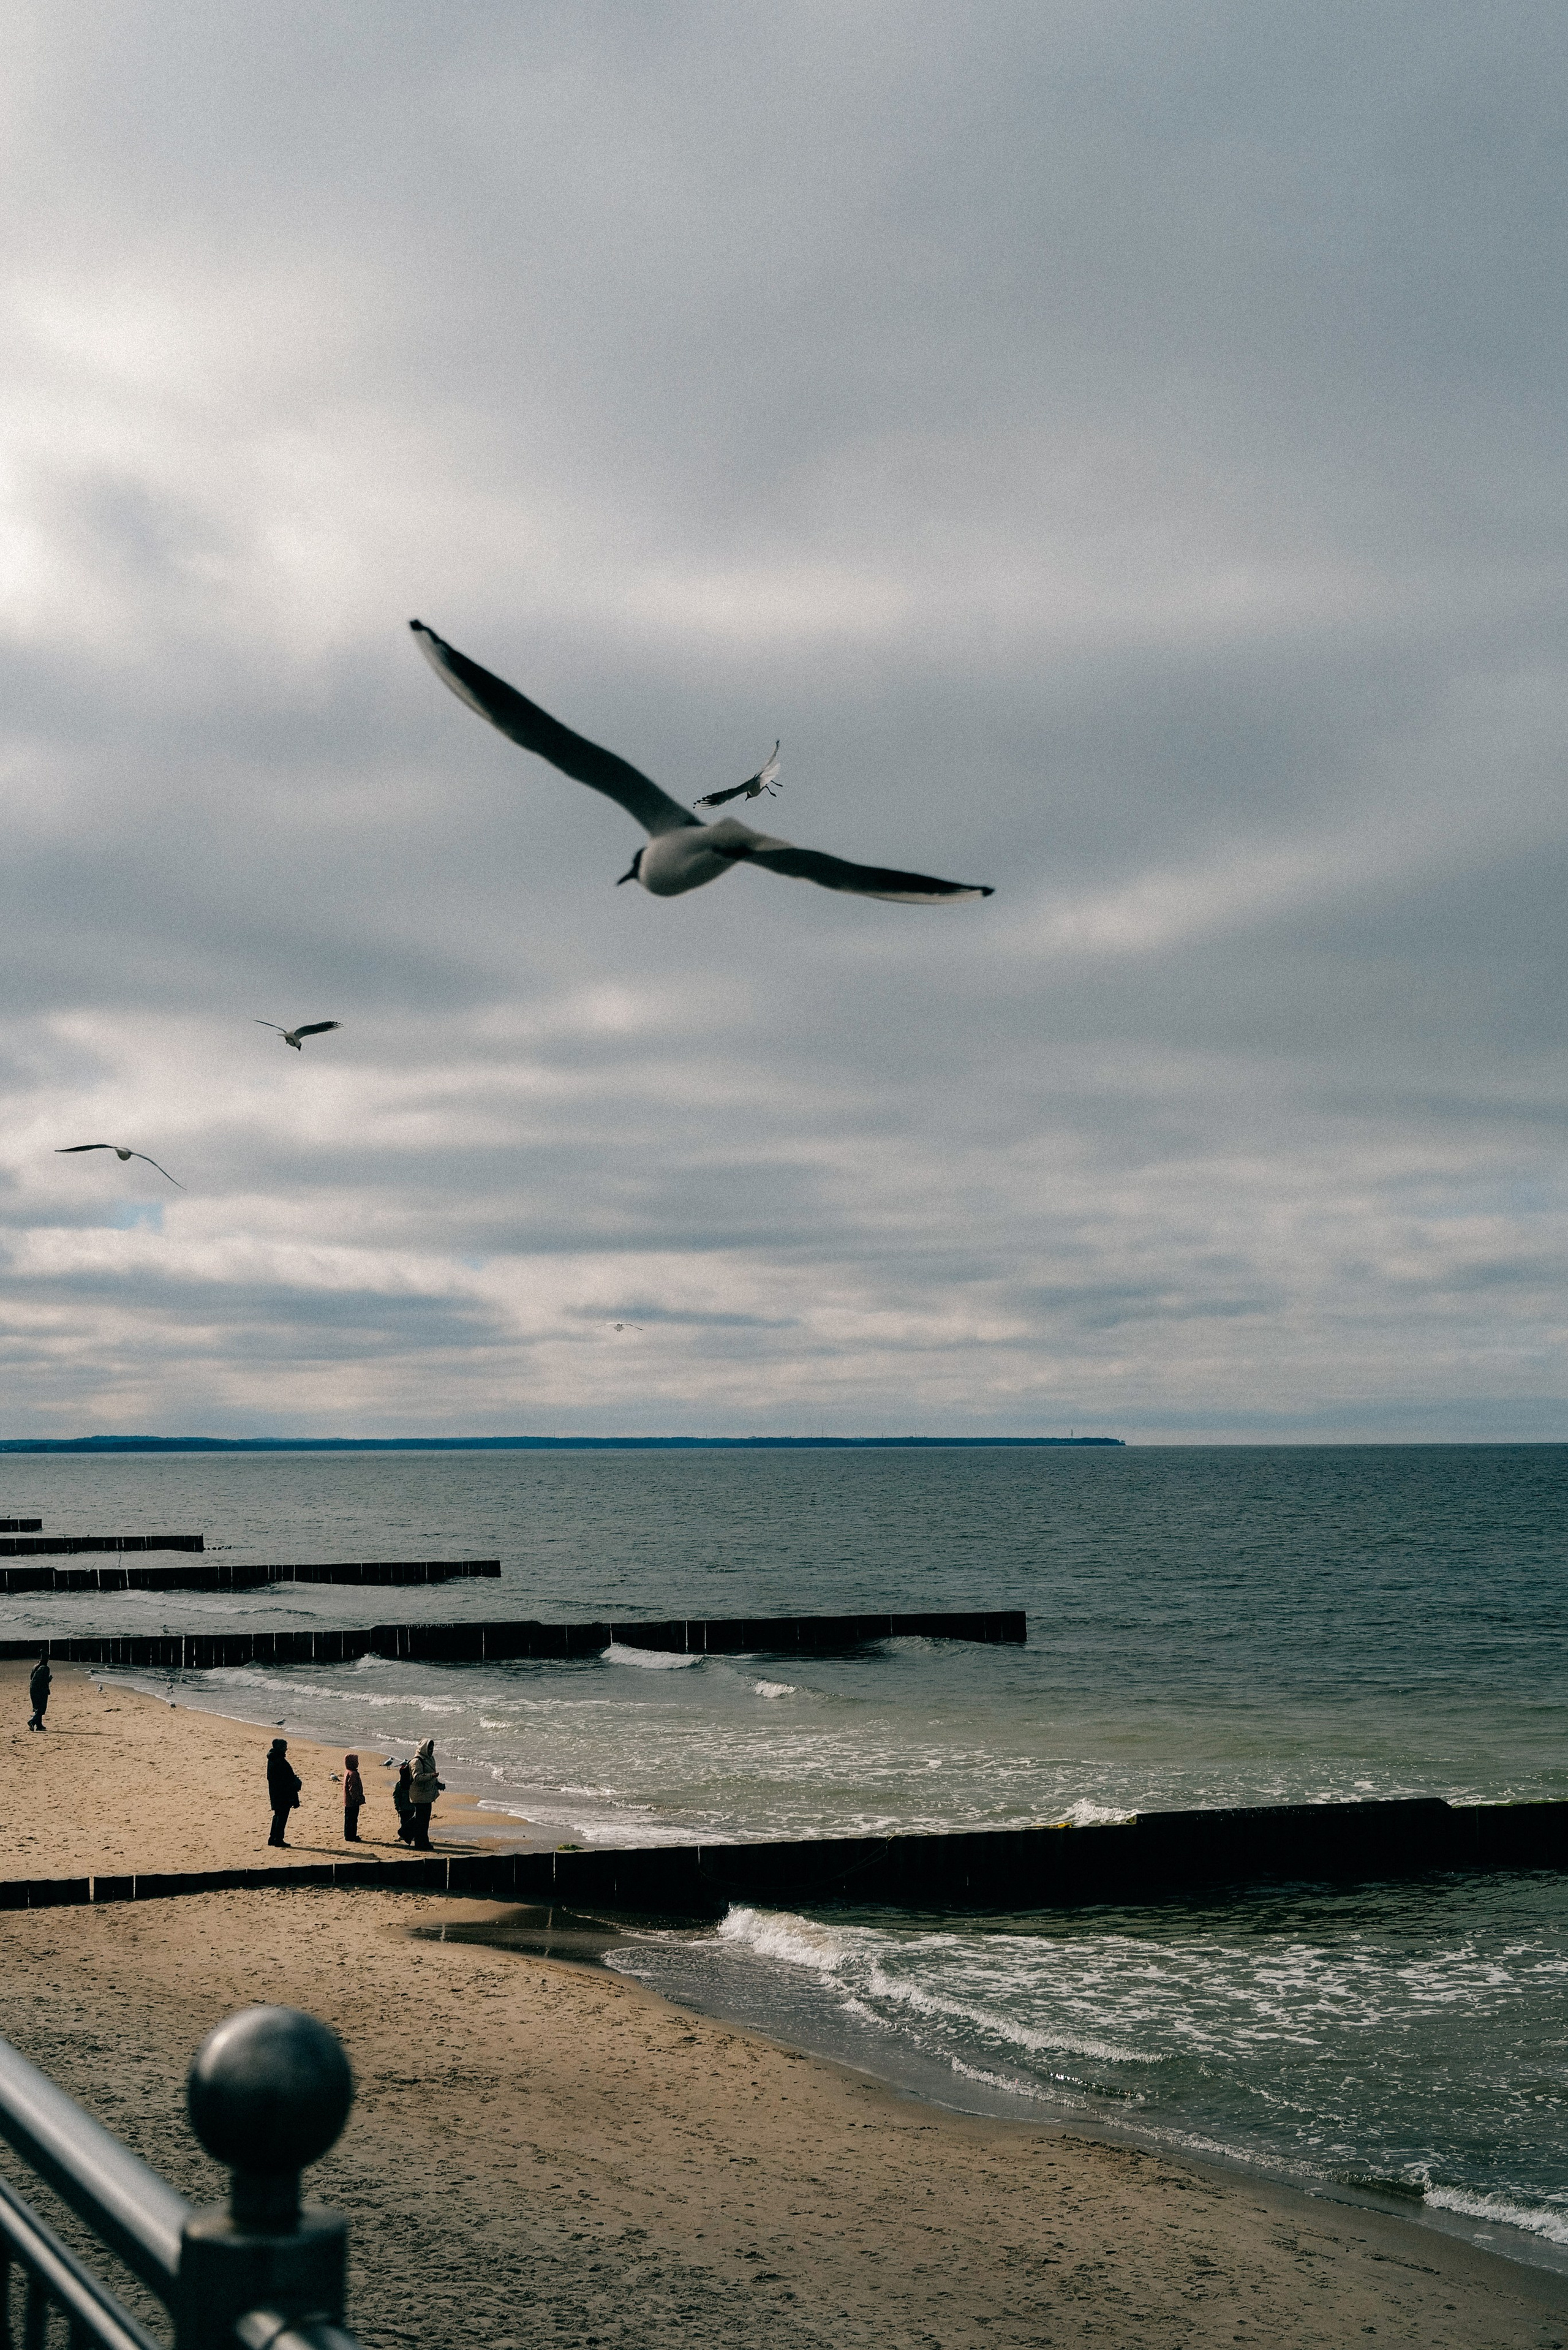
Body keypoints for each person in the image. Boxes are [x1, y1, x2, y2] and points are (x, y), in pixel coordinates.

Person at [408, 1737, 443, 1850]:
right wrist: (431, 1776)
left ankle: (422, 1841)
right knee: (421, 1822)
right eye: (429, 1749)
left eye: (432, 1749)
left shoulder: (431, 1759)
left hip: (428, 1795)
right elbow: (417, 1778)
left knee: (424, 1821)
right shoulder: (416, 1761)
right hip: (419, 1795)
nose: (431, 1751)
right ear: (424, 1748)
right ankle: (420, 1843)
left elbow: (432, 1775)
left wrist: (438, 1784)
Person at [266, 1737, 301, 1848]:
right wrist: (295, 1783)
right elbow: (283, 1780)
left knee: (277, 1815)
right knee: (282, 1817)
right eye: (285, 1747)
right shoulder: (279, 1761)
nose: (286, 1749)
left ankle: (273, 1838)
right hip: (282, 1794)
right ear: (280, 1748)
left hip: (276, 1792)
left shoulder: (273, 1759)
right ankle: (278, 1839)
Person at [342, 1752, 365, 1843]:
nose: (358, 1763)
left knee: (348, 1819)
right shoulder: (353, 1774)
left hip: (347, 1801)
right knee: (352, 1819)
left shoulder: (347, 1772)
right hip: (352, 1801)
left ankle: (348, 1835)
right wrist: (357, 1798)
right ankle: (351, 1837)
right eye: (356, 1761)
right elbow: (353, 1788)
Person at [393, 1759, 415, 1844]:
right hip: (405, 1807)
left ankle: (408, 1835)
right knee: (405, 1822)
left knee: (408, 1822)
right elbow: (396, 1796)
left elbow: (396, 1796)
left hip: (409, 1807)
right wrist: (397, 1806)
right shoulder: (402, 1784)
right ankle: (403, 1835)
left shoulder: (407, 1784)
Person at [26, 1655, 51, 1731]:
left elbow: (31, 1677)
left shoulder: (36, 1667)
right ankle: (33, 1721)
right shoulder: (45, 1668)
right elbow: (44, 1680)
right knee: (41, 1707)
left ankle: (39, 1725)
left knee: (37, 1707)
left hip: (33, 1689)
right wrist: (49, 1679)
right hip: (40, 1690)